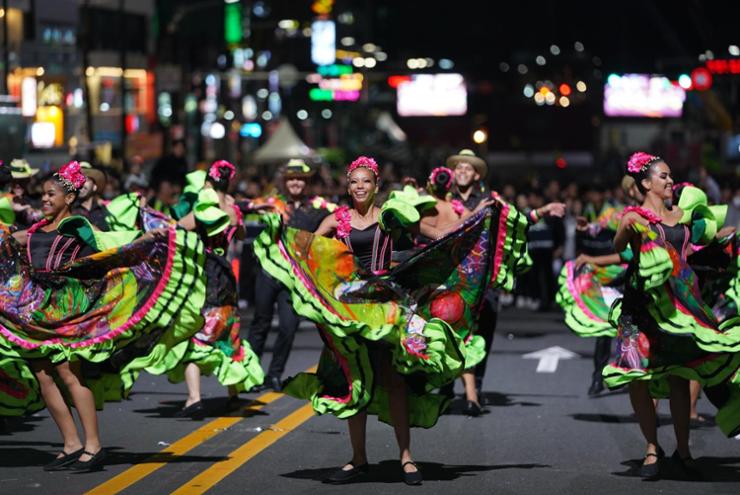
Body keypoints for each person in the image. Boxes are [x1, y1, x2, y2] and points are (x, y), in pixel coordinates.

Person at [253, 155, 533, 485]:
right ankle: (358, 459)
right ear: (347, 186)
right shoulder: (334, 220)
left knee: (394, 380)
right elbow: (307, 254)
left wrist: (479, 215)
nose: (359, 187)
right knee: (353, 380)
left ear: (376, 186)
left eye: (366, 182)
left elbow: (440, 233)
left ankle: (406, 458)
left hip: (385, 306)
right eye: (354, 182)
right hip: (348, 310)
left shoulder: (390, 216)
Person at [0, 161, 207, 471]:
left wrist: (147, 239)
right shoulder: (32, 230)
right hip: (35, 312)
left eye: (50, 194)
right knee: (44, 378)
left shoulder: (79, 226)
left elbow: (113, 244)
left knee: (70, 375)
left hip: (67, 311)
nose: (43, 199)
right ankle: (71, 443)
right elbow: (7, 245)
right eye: (42, 194)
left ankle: (93, 446)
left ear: (68, 198)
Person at [608, 152, 740, 479]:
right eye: (663, 176)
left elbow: (701, 244)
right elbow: (621, 242)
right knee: (637, 378)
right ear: (646, 183)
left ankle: (683, 451)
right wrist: (626, 228)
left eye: (670, 176)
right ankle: (652, 447)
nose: (670, 181)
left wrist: (725, 239)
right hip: (641, 306)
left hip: (681, 305)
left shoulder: (683, 214)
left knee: (680, 378)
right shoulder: (634, 216)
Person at [147, 161, 265, 418]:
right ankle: (234, 395)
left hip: (204, 278)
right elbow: (242, 236)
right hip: (227, 280)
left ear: (209, 184)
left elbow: (175, 230)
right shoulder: (233, 210)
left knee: (193, 336)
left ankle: (194, 398)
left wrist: (154, 231)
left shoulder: (204, 210)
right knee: (228, 336)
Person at [247, 159, 333, 392]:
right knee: (260, 323)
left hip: (295, 279)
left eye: (300, 179)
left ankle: (274, 375)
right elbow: (242, 206)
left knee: (288, 326)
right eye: (291, 179)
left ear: (306, 182)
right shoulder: (273, 203)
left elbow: (343, 217)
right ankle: (249, 374)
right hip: (267, 272)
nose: (295, 183)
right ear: (285, 182)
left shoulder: (319, 206)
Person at [73, 162, 109, 231]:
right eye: (77, 180)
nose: (81, 184)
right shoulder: (69, 210)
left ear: (94, 187)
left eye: (85, 179)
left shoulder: (104, 210)